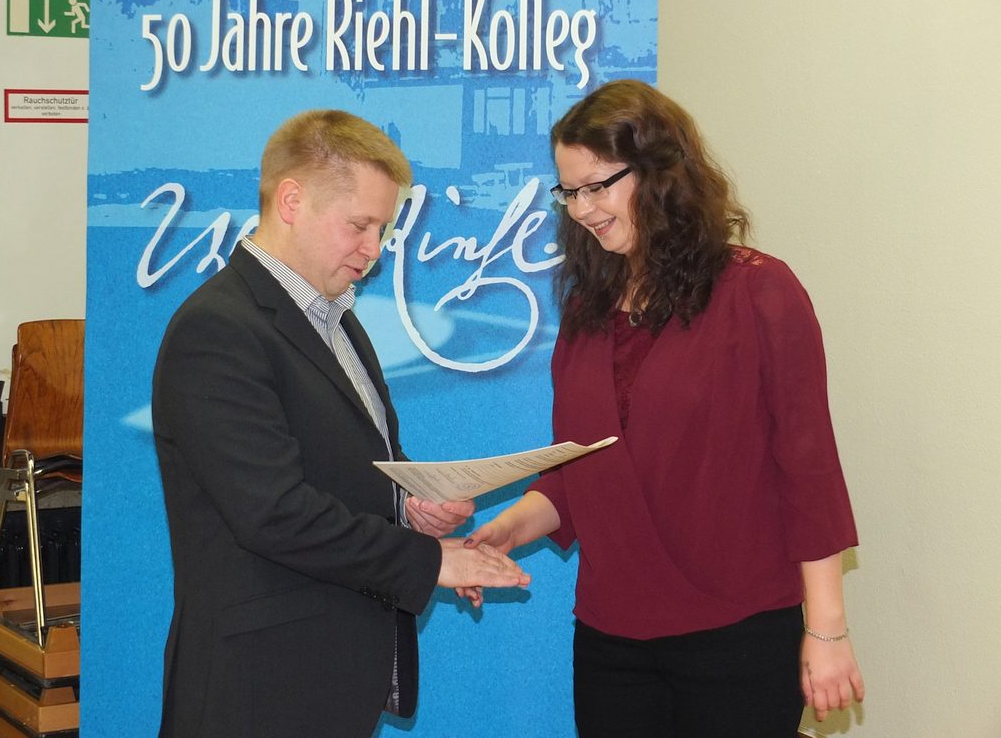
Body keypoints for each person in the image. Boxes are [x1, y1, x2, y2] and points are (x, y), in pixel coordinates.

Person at [464, 80, 864, 736]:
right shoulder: (587, 309)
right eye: (569, 192)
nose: (582, 209)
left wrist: (827, 631)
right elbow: (582, 470)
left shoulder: (760, 291)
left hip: (738, 636)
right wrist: (510, 527)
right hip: (611, 641)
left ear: (659, 172)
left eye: (598, 186)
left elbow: (808, 469)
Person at [152, 109, 530, 738]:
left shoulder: (338, 320)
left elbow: (344, 466)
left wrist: (409, 506)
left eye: (383, 228)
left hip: (327, 677)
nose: (374, 250)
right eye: (359, 225)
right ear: (291, 201)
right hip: (257, 688)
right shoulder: (217, 329)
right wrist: (429, 561)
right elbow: (273, 512)